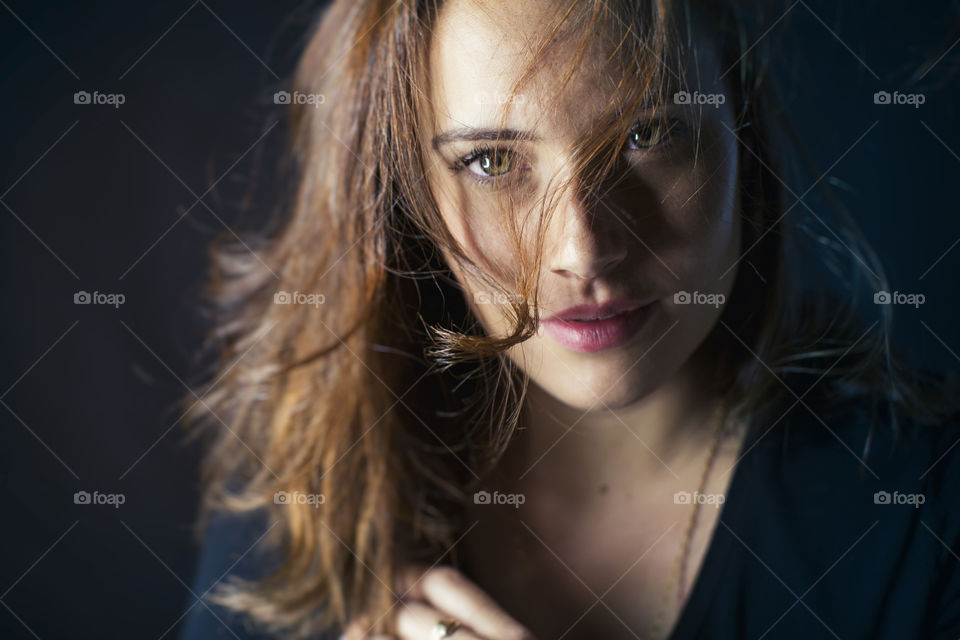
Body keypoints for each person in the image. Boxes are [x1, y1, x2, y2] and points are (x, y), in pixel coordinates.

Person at [180, 1, 960, 639]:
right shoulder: (304, 494)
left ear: (739, 131)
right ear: (403, 192)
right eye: (492, 161)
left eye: (646, 135)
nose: (583, 249)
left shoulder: (923, 512)